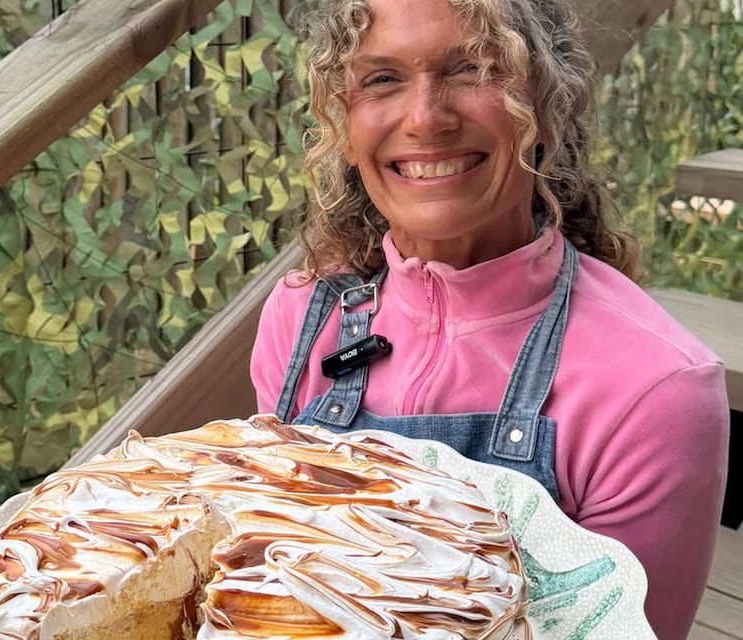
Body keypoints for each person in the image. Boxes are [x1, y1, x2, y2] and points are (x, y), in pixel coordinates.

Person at [249, 0, 730, 637]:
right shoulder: (301, 317)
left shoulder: (656, 390)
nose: (426, 118)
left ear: (548, 102)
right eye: (383, 78)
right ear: (344, 121)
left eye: (473, 68)